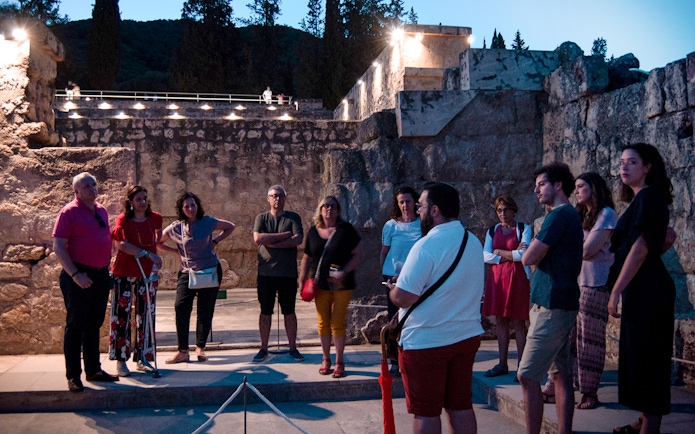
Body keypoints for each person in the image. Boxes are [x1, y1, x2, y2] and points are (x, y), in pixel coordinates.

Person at [387, 182, 485, 434]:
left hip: (427, 341)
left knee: (427, 412)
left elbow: (405, 297)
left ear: (435, 211)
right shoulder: (472, 241)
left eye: (421, 206)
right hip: (465, 336)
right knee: (461, 406)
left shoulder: (425, 246)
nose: (418, 211)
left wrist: (393, 290)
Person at [608, 144, 675, 434]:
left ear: (647, 166)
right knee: (643, 360)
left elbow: (641, 247)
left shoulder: (649, 198)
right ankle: (645, 422)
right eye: (622, 162)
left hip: (648, 290)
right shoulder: (644, 200)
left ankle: (650, 426)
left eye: (632, 162)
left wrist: (614, 292)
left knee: (649, 362)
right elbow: (667, 237)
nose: (624, 167)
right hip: (643, 287)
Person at [519, 163, 583, 434]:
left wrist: (532, 249)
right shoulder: (568, 215)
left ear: (558, 185)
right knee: (559, 374)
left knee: (527, 375)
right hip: (557, 301)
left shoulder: (558, 216)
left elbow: (528, 257)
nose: (536, 190)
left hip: (552, 304)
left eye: (541, 184)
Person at [53, 172, 119, 392]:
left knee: (94, 324)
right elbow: (59, 247)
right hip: (78, 275)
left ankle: (93, 369)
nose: (92, 189)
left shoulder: (101, 209)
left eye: (94, 184)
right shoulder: (69, 212)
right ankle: (73, 375)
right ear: (77, 191)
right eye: (87, 186)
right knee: (76, 326)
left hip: (100, 275)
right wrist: (75, 274)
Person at [159, 192, 236, 364]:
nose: (190, 209)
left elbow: (230, 226)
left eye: (193, 205)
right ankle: (182, 351)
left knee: (205, 310)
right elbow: (157, 242)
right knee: (181, 307)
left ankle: (200, 347)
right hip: (188, 272)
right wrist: (174, 251)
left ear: (197, 206)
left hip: (210, 270)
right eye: (186, 206)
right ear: (181, 208)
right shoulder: (175, 227)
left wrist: (215, 241)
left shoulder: (207, 222)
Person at [299, 196, 362, 378]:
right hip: (320, 284)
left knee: (338, 323)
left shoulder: (346, 230)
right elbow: (307, 257)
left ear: (338, 210)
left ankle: (339, 361)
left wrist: (345, 271)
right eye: (325, 206)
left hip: (343, 284)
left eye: (332, 206)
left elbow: (357, 254)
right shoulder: (313, 231)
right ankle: (326, 359)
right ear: (320, 210)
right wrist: (302, 279)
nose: (328, 209)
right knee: (322, 322)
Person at [108, 186, 164, 377]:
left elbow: (157, 236)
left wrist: (153, 256)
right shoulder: (123, 219)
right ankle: (121, 360)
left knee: (147, 314)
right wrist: (146, 253)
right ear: (131, 201)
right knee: (121, 315)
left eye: (145, 198)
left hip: (147, 273)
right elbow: (121, 244)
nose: (143, 202)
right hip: (125, 271)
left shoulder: (155, 218)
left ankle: (144, 357)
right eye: (138, 199)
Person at [572, 172, 617, 410]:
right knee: (572, 338)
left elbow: (588, 250)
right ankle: (573, 386)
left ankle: (590, 393)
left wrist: (567, 248)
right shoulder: (583, 215)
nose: (576, 191)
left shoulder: (606, 214)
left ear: (594, 188)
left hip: (596, 283)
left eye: (581, 186)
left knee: (591, 341)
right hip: (578, 282)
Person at [252, 185, 304, 363]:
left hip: (287, 274)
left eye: (281, 196)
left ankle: (293, 348)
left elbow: (297, 239)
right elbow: (258, 239)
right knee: (265, 312)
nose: (277, 199)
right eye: (274, 196)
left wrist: (272, 242)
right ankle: (263, 348)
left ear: (285, 198)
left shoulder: (293, 217)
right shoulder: (262, 218)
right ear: (268, 198)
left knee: (289, 312)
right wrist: (284, 236)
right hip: (266, 274)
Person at [482, 194, 531, 380]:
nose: (502, 214)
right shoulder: (492, 231)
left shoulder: (523, 229)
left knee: (518, 322)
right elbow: (485, 255)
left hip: (517, 279)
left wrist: (500, 253)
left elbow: (524, 255)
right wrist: (510, 254)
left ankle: (522, 365)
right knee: (501, 321)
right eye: (499, 210)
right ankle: (502, 363)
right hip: (497, 280)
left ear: (513, 210)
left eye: (505, 210)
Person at [380, 186, 422, 376]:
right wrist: (385, 274)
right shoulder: (391, 225)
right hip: (393, 276)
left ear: (415, 203)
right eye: (401, 202)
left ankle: (414, 357)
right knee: (394, 318)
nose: (405, 205)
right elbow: (384, 251)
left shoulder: (423, 224)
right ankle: (394, 360)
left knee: (415, 316)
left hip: (416, 275)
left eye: (408, 201)